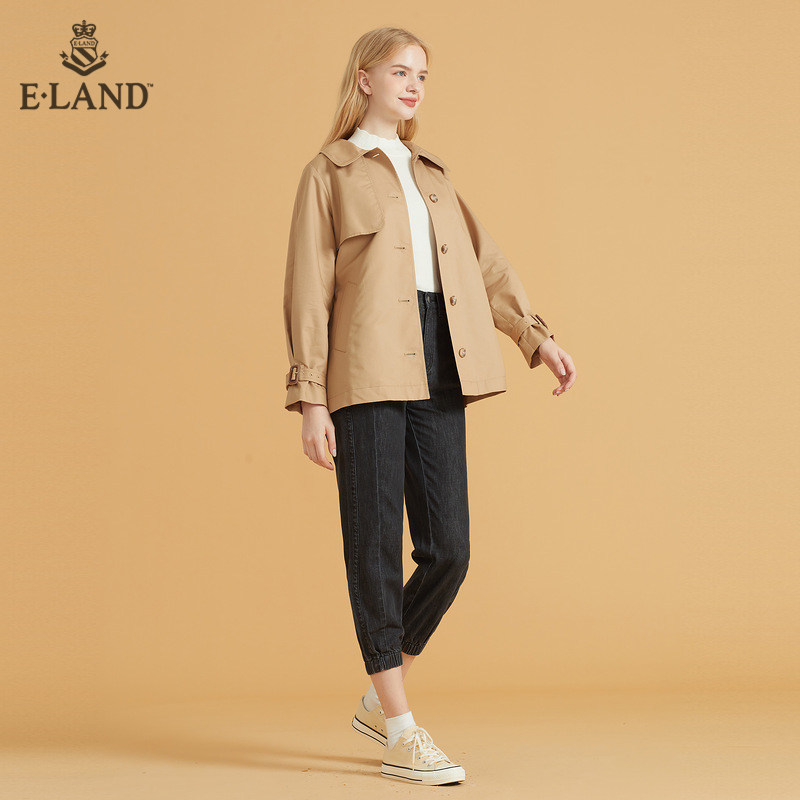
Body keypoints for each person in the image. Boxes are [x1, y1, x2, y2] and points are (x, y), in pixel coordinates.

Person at [282, 27, 577, 785]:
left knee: (449, 549)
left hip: (442, 358)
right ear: (364, 79)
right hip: (365, 367)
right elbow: (309, 289)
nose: (414, 85)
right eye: (400, 71)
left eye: (422, 74)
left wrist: (536, 337)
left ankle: (379, 696)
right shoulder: (330, 172)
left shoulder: (433, 176)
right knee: (375, 545)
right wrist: (310, 397)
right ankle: (400, 728)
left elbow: (484, 264)